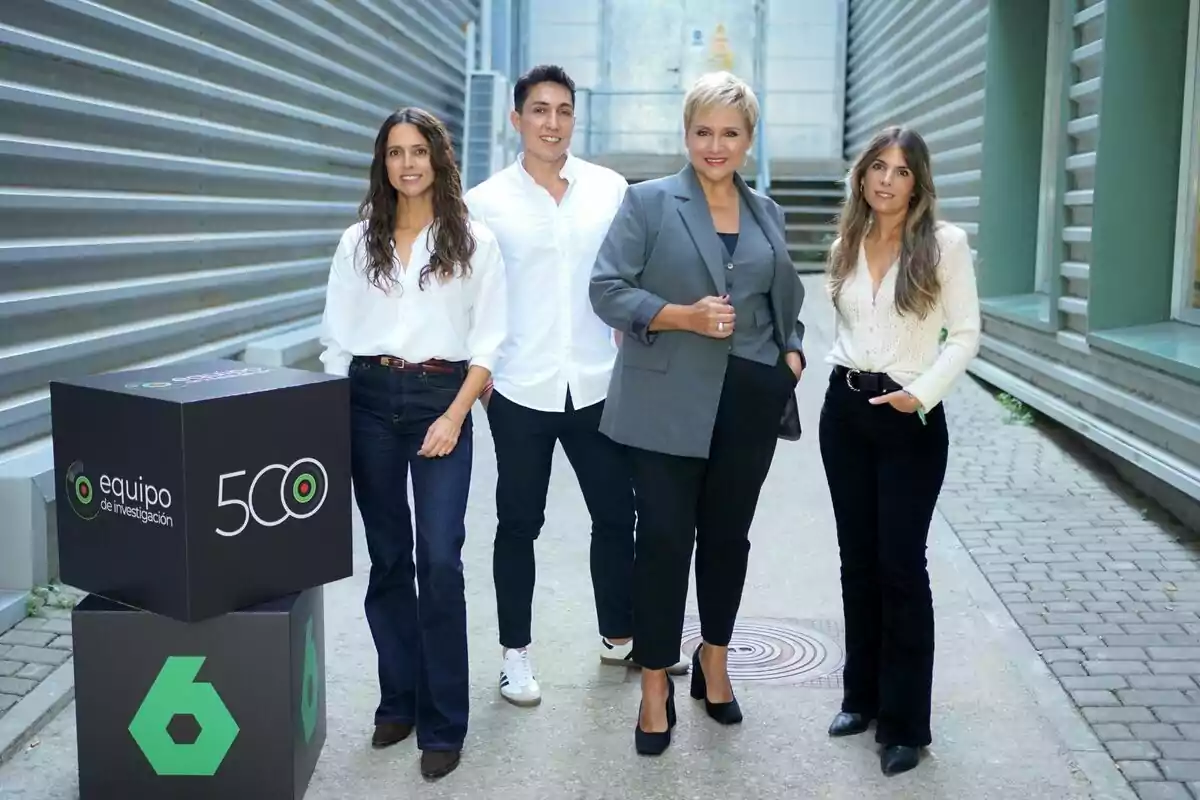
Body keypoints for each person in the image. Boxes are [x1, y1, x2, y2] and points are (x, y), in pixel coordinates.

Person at [589, 71, 806, 756]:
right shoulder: (649, 203)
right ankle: (655, 684)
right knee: (661, 542)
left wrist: (791, 358)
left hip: (748, 399)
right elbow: (605, 288)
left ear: (748, 141)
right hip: (664, 400)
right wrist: (678, 315)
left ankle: (714, 660)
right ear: (687, 135)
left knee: (727, 539)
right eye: (704, 131)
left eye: (730, 133)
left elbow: (788, 300)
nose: (716, 146)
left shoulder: (767, 211)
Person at [465, 64, 689, 709]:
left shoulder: (610, 189)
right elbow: (473, 296)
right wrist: (478, 374)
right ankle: (515, 656)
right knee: (518, 523)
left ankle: (620, 634)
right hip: (518, 387)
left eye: (563, 111)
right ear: (517, 119)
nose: (552, 123)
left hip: (598, 383)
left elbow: (635, 271)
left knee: (618, 517)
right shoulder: (486, 202)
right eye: (539, 110)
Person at [318, 107, 507, 780]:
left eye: (418, 150)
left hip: (441, 399)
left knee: (442, 560)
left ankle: (444, 722)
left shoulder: (474, 242)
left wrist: (455, 416)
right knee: (389, 559)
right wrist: (338, 410)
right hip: (369, 401)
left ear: (438, 159)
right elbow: (336, 342)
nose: (407, 163)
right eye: (395, 152)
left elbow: (489, 344)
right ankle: (398, 699)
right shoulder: (356, 242)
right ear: (384, 163)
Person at [819, 125, 980, 776]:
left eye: (902, 170)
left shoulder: (944, 245)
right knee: (857, 561)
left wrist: (923, 393)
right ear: (862, 176)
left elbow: (967, 334)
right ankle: (861, 697)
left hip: (911, 417)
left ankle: (906, 724)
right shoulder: (846, 243)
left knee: (900, 567)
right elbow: (851, 332)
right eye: (877, 167)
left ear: (919, 181)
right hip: (846, 411)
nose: (886, 179)